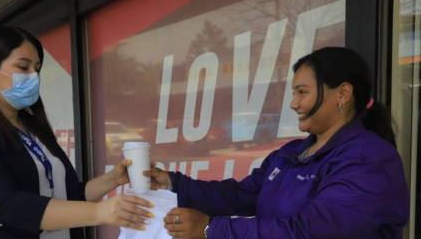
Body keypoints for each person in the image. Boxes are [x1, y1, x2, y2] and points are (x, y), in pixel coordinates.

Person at [146, 47, 410, 239]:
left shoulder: (369, 160)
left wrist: (210, 229)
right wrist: (172, 183)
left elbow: (311, 232)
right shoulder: (292, 153)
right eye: (293, 93)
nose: (294, 103)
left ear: (342, 94)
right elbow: (240, 195)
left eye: (302, 92)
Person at [0, 26, 154, 239]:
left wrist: (113, 180)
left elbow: (66, 195)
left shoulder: (31, 126)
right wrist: (100, 212)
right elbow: (3, 204)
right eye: (23, 67)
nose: (33, 77)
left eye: (37, 68)